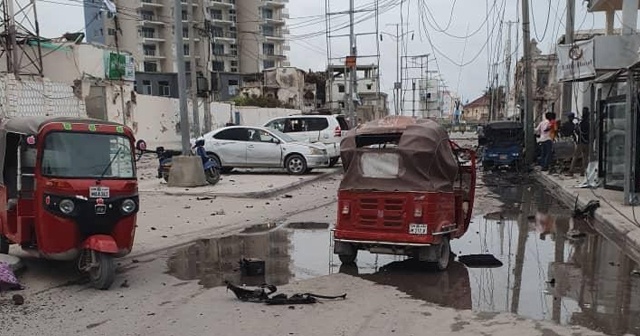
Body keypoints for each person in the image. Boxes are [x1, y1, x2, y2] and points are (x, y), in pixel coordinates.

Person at [569, 107, 590, 176]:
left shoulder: (580, 124)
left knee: (575, 156)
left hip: (580, 142)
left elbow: (577, 131)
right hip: (587, 142)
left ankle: (571, 171)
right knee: (585, 157)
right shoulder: (589, 124)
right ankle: (582, 171)